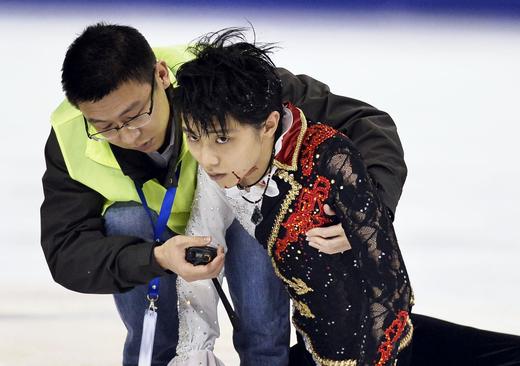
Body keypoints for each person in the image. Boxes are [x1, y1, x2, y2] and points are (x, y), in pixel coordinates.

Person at [170, 29, 520, 366]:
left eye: (222, 141)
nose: (206, 158)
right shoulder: (218, 175)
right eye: (194, 137)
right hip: (319, 347)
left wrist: (366, 219)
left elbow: (390, 283)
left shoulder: (327, 157)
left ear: (267, 125)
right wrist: (192, 352)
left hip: (383, 346)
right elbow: (198, 266)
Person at [41, 23, 407, 366]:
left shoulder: (223, 82)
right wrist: (156, 258)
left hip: (241, 214)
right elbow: (66, 252)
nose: (129, 135)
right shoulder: (70, 136)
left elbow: (365, 123)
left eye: (137, 114)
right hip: (152, 238)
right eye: (105, 127)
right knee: (124, 218)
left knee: (260, 208)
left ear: (161, 75)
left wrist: (367, 215)